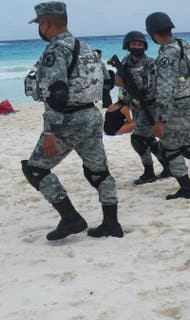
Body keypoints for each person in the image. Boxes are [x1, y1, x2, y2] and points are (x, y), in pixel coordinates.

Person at [21, 1, 122, 240]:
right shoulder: (85, 47)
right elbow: (108, 81)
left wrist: (50, 132)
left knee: (35, 169)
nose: (40, 28)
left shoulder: (56, 50)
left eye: (40, 24)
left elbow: (57, 94)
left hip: (68, 119)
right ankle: (111, 223)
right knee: (98, 172)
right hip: (91, 116)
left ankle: (70, 218)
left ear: (45, 23)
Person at [145, 12, 190, 199]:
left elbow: (165, 88)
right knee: (186, 145)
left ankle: (187, 189)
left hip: (180, 108)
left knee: (169, 148)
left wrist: (159, 119)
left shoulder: (167, 54)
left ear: (153, 34)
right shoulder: (184, 45)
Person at [116, 30, 171, 185]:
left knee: (138, 138)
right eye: (134, 44)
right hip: (136, 106)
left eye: (140, 44)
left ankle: (149, 172)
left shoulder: (151, 63)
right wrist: (120, 80)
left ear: (145, 46)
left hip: (151, 105)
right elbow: (118, 82)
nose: (137, 46)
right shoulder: (125, 61)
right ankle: (168, 166)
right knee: (148, 138)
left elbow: (155, 86)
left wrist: (146, 101)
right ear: (127, 46)